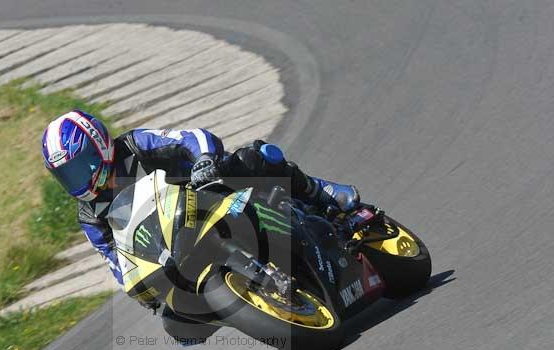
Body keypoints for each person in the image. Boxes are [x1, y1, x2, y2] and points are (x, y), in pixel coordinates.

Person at [41, 110, 360, 316]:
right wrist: (141, 291)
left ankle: (320, 193)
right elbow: (115, 261)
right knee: (175, 322)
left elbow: (192, 138)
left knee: (254, 157)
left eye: (82, 165)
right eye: (68, 174)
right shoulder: (90, 214)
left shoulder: (136, 145)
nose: (81, 178)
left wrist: (204, 160)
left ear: (100, 144)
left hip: (208, 191)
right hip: (174, 248)